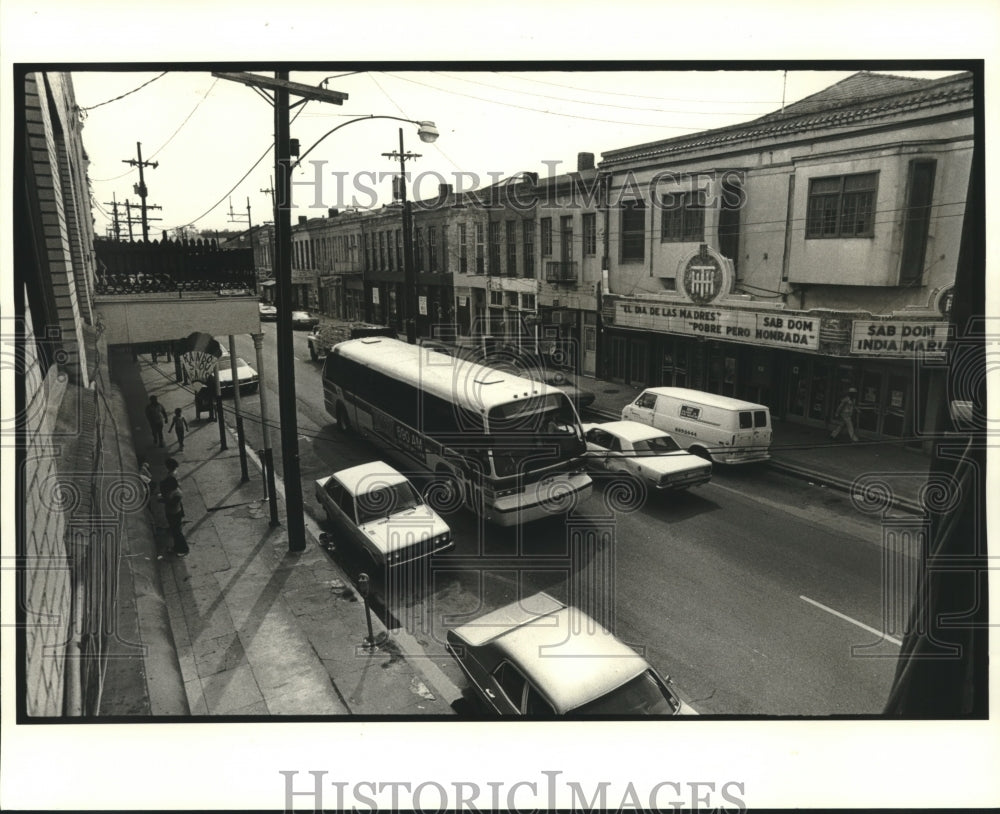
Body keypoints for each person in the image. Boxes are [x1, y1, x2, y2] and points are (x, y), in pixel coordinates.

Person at [159, 475, 189, 558]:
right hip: (170, 513)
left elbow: (171, 503)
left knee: (177, 533)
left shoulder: (177, 494)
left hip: (175, 514)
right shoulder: (172, 491)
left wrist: (163, 500)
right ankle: (176, 547)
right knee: (174, 531)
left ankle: (183, 549)